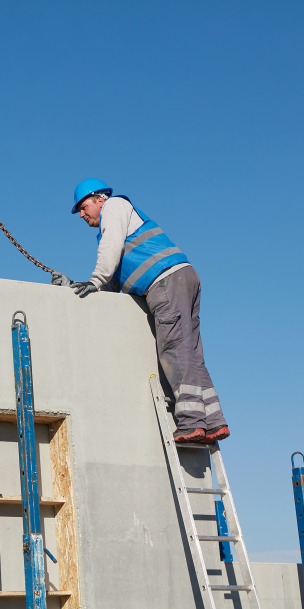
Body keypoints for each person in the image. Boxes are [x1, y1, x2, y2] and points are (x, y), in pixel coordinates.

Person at [52, 178, 229, 444]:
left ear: (100, 199)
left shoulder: (114, 206)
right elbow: (111, 285)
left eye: (83, 206)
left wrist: (95, 279)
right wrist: (76, 287)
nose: (81, 214)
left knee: (174, 349)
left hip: (164, 282)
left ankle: (191, 422)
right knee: (190, 351)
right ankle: (214, 422)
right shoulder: (122, 227)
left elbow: (109, 249)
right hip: (181, 276)